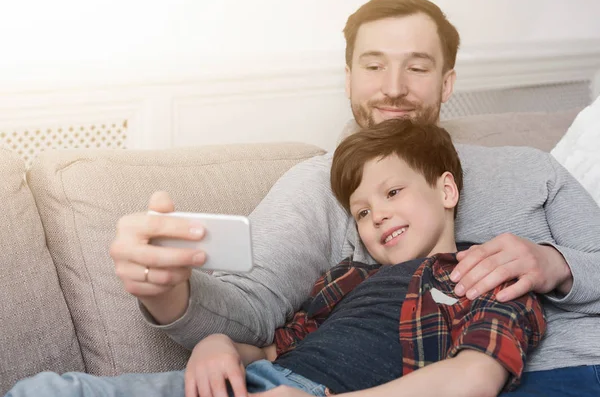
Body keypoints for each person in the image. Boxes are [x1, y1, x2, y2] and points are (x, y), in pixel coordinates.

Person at [5, 0, 600, 396]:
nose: (393, 88)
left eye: (417, 67)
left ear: (447, 82)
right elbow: (259, 311)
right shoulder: (323, 191)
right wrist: (175, 294)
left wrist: (555, 265)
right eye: (373, 66)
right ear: (348, 78)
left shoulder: (533, 169)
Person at [182, 119, 545, 397]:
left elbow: (475, 377)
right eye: (363, 213)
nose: (379, 215)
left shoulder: (485, 272)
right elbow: (270, 351)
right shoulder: (349, 278)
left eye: (393, 192)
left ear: (446, 190)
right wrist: (217, 345)